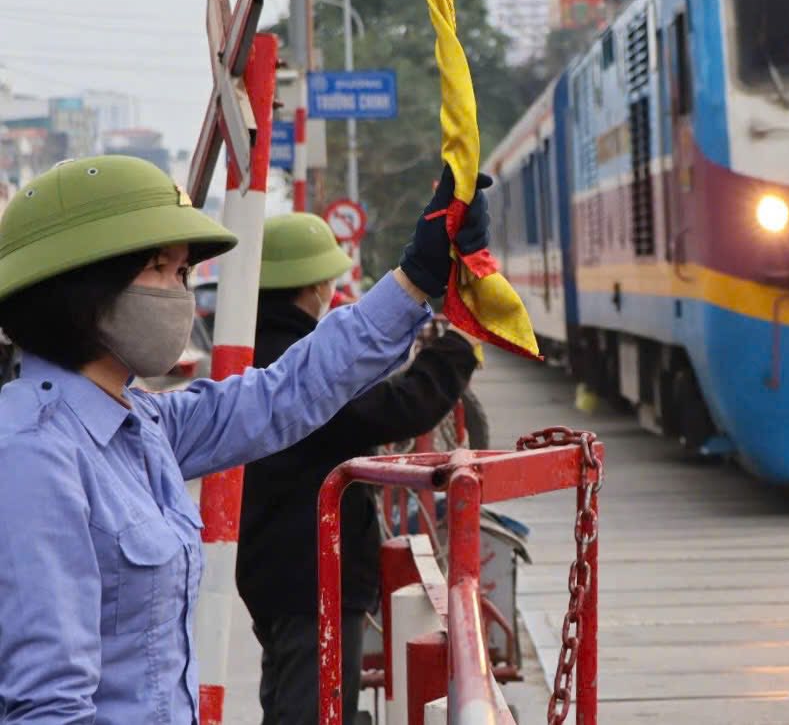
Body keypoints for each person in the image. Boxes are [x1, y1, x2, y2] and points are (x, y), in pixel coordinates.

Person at [0, 154, 486, 724]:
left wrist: (416, 281)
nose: (179, 295)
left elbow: (288, 392)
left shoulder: (143, 427)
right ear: (83, 284)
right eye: (160, 268)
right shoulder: (32, 455)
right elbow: (48, 707)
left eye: (184, 274)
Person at [236, 212, 482, 725]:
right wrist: (461, 347)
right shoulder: (294, 358)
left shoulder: (253, 351)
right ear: (314, 285)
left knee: (288, 700)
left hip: (276, 570)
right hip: (312, 574)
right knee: (314, 712)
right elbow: (394, 409)